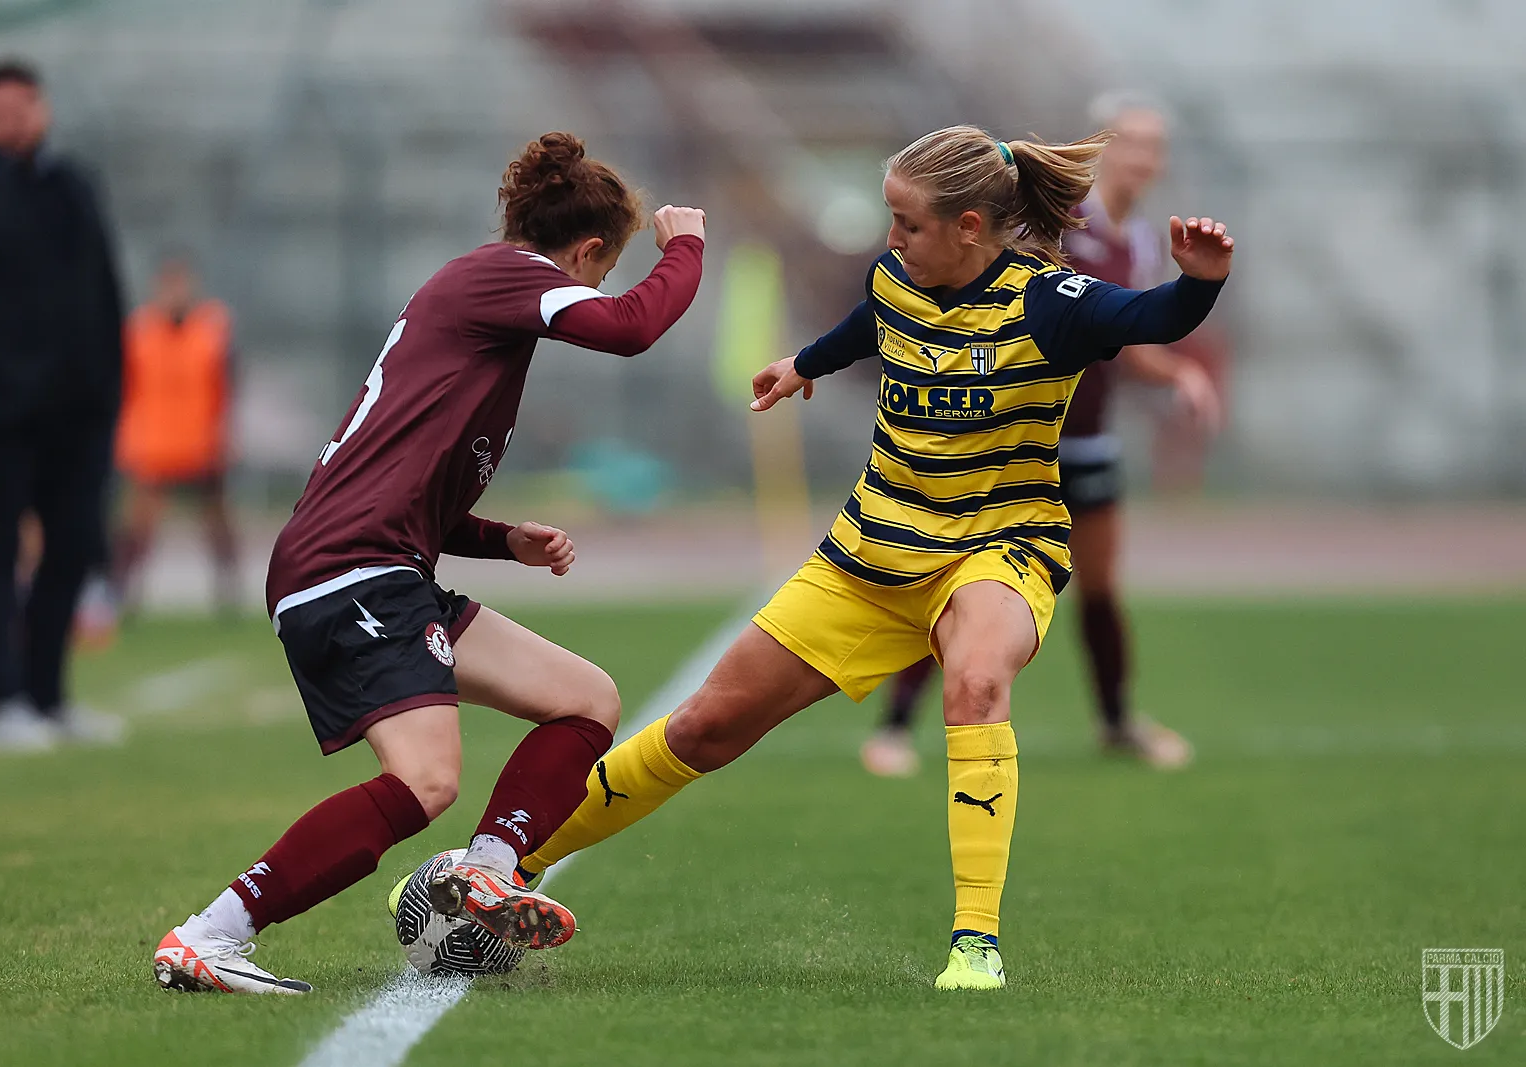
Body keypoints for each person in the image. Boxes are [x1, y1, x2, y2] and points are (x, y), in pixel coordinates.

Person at [476, 125, 1233, 992]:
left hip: (998, 547)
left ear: (970, 227)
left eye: (908, 223)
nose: (891, 238)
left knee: (976, 681)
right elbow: (866, 327)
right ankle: (509, 868)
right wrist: (803, 364)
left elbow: (1152, 317)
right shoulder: (894, 280)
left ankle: (976, 943)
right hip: (869, 553)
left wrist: (1200, 280)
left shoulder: (1050, 301)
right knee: (704, 727)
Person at [152, 133, 707, 995]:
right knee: (426, 779)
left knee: (585, 699)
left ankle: (485, 870)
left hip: (379, 564)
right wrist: (686, 248)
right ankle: (210, 933)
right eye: (601, 271)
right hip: (351, 568)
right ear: (586, 252)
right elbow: (630, 328)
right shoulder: (507, 275)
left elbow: (414, 496)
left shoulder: (480, 302)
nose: (595, 288)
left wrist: (503, 540)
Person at [860, 95, 1221, 777]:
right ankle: (896, 727)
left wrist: (1180, 373)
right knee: (952, 583)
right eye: (1131, 142)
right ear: (1103, 147)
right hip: (1010, 440)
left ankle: (1117, 721)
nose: (1144, 158)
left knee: (1101, 588)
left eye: (1155, 147)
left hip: (1088, 439)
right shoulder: (1056, 225)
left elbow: (1127, 335)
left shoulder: (1142, 240)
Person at [0, 59, 126, 753]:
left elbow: (104, 288)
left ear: (44, 110)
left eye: (27, 104)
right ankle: (3, 699)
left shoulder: (74, 186)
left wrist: (112, 385)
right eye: (1, 108)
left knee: (71, 547)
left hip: (79, 406)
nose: (16, 119)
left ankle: (48, 695)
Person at [111, 253, 240, 616]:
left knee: (217, 523)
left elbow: (226, 386)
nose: (176, 293)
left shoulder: (212, 329)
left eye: (181, 284)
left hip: (201, 443)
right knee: (137, 528)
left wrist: (225, 433)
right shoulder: (140, 332)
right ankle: (121, 596)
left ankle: (229, 594)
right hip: (153, 444)